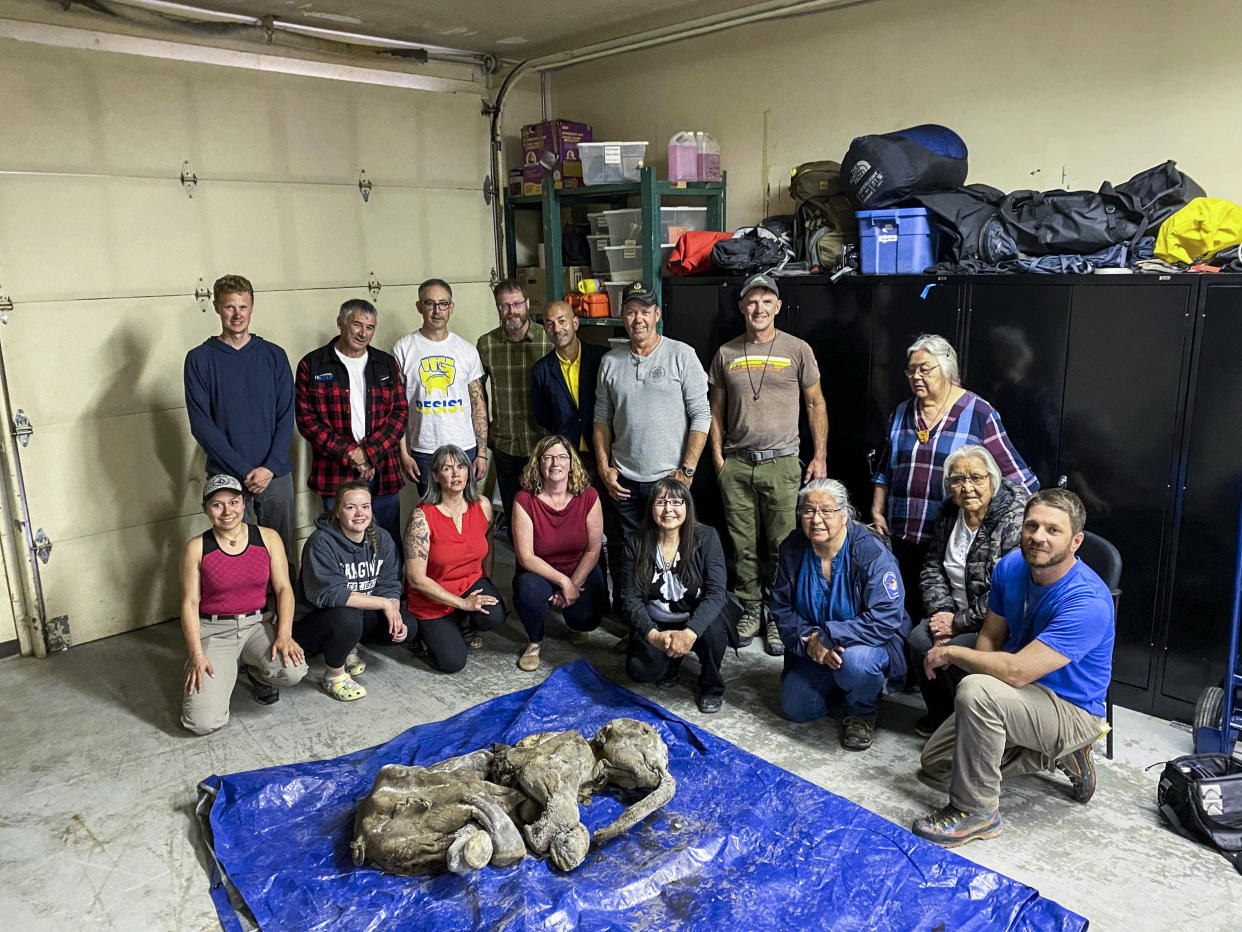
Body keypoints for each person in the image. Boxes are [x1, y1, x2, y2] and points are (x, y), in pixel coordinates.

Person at [913, 489, 1113, 848]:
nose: (1038, 536)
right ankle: (1042, 751)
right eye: (1031, 525)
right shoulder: (1011, 566)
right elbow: (989, 638)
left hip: (1069, 706)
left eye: (1054, 530)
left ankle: (977, 812)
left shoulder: (1088, 602)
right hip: (1019, 693)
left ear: (1076, 541)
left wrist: (952, 657)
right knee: (936, 765)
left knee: (976, 692)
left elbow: (1017, 671)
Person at [870, 333, 1037, 621]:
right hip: (900, 533)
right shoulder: (901, 412)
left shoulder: (979, 413)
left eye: (925, 368)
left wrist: (1021, 525)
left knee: (939, 614)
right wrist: (876, 508)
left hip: (949, 538)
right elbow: (887, 466)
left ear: (946, 368)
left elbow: (1017, 477)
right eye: (911, 369)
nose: (916, 376)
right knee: (899, 612)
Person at [708, 272, 829, 657]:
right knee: (742, 544)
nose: (758, 308)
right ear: (742, 308)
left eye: (766, 301)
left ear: (777, 306)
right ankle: (751, 607)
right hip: (737, 464)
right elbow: (714, 409)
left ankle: (777, 612)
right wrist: (717, 456)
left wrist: (820, 456)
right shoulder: (726, 353)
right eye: (751, 302)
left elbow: (815, 404)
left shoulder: (798, 349)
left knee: (783, 545)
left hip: (782, 463)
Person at [771, 479, 910, 751]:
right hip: (814, 644)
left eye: (827, 511)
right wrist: (808, 640)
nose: (816, 519)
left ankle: (863, 711)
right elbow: (780, 606)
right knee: (797, 708)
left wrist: (830, 635)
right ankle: (844, 686)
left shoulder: (869, 551)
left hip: (866, 645)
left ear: (845, 514)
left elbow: (887, 615)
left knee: (855, 664)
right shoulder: (793, 548)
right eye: (808, 511)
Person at [907, 444, 1029, 736]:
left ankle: (971, 723)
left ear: (992, 479)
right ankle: (942, 716)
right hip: (952, 612)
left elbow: (1007, 588)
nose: (967, 487)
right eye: (957, 480)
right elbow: (933, 564)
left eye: (976, 478)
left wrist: (957, 623)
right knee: (917, 639)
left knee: (956, 650)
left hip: (998, 620)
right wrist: (942, 614)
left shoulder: (1013, 518)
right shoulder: (950, 511)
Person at [180, 475, 307, 735]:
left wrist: (284, 634)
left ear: (243, 503)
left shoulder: (267, 537)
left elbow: (284, 589)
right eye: (217, 505)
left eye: (234, 502)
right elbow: (190, 603)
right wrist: (196, 654)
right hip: (214, 629)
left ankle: (251, 668)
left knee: (293, 670)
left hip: (256, 625)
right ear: (205, 509)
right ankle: (222, 667)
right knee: (201, 723)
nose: (228, 511)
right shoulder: (197, 547)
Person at [184, 274, 296, 554]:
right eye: (229, 307)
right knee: (235, 552)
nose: (237, 315)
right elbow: (201, 424)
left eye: (242, 307)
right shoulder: (199, 359)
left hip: (275, 473)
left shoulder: (274, 355)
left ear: (252, 307)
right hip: (228, 475)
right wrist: (245, 470)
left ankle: (284, 599)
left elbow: (285, 415)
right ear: (216, 308)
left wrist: (269, 466)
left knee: (280, 551)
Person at [593, 281, 711, 535]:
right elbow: (601, 419)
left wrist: (688, 470)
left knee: (671, 554)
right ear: (622, 316)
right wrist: (604, 468)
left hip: (669, 479)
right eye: (631, 311)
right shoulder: (610, 362)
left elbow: (701, 414)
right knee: (629, 556)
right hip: (623, 482)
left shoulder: (682, 355)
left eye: (645, 311)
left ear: (657, 314)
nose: (638, 319)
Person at [530, 300, 625, 611]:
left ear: (575, 322)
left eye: (562, 320)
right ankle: (587, 602)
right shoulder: (542, 370)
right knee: (581, 536)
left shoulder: (603, 359)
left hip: (608, 458)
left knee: (616, 531)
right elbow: (543, 417)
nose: (556, 328)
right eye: (549, 323)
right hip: (570, 464)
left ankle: (622, 603)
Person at [295, 298, 408, 549]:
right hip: (336, 472)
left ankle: (390, 590)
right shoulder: (312, 364)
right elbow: (307, 421)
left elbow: (400, 413)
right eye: (357, 325)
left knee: (387, 542)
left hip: (383, 470)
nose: (363, 333)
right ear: (340, 323)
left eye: (370, 328)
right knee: (340, 544)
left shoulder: (386, 363)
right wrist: (352, 454)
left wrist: (369, 453)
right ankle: (346, 590)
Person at [622, 478, 730, 714]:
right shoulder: (635, 541)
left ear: (687, 506)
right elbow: (630, 598)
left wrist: (690, 632)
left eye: (676, 501)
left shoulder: (707, 537)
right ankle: (670, 662)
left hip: (696, 618)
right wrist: (653, 635)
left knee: (714, 632)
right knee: (639, 671)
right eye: (661, 502)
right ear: (651, 508)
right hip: (658, 621)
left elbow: (716, 593)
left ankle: (711, 685)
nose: (668, 509)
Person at [292, 480, 407, 701]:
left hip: (356, 614)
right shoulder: (321, 542)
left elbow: (389, 582)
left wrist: (393, 606)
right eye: (350, 507)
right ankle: (333, 674)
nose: (359, 513)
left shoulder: (381, 538)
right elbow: (331, 594)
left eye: (365, 507)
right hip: (313, 625)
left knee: (407, 624)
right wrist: (385, 604)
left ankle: (348, 647)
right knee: (347, 617)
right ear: (337, 511)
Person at [403, 444, 506, 673]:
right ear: (435, 476)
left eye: (461, 466)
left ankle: (463, 621)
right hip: (432, 597)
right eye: (447, 469)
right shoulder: (422, 517)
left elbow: (487, 546)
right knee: (453, 663)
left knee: (495, 615)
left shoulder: (482, 505)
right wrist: (463, 604)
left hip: (469, 583)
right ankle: (420, 635)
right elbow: (416, 579)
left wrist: (486, 582)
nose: (456, 473)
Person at [511, 435, 606, 672]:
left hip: (578, 567)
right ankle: (535, 641)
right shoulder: (524, 500)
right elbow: (526, 557)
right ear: (538, 463)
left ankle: (576, 623)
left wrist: (573, 583)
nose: (556, 463)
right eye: (549, 457)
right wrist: (564, 582)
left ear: (571, 463)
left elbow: (593, 549)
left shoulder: (589, 496)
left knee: (589, 619)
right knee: (528, 590)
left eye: (562, 456)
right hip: (539, 571)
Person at [392, 279, 488, 497]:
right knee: (431, 516)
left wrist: (481, 453)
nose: (437, 311)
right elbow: (395, 408)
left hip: (465, 449)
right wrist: (404, 454)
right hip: (425, 451)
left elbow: (478, 404)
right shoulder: (403, 349)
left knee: (466, 513)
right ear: (419, 307)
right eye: (430, 304)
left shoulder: (466, 350)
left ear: (451, 307)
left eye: (443, 304)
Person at [476, 280, 551, 531]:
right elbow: (477, 397)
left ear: (527, 304)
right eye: (504, 306)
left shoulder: (547, 340)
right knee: (514, 515)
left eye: (517, 304)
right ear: (497, 308)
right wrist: (483, 440)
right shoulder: (486, 344)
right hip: (505, 444)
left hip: (541, 444)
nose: (512, 311)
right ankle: (523, 566)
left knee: (545, 515)